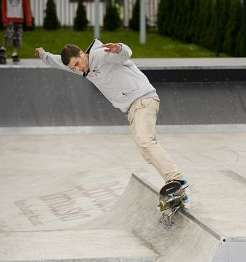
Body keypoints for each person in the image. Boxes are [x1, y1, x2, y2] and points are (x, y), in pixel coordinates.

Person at [34, 40, 188, 203]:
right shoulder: (83, 68)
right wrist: (44, 55)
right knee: (146, 151)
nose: (78, 69)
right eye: (74, 68)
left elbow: (125, 54)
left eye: (77, 64)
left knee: (145, 142)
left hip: (143, 100)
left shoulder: (102, 55)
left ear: (82, 54)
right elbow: (59, 62)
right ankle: (173, 186)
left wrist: (119, 48)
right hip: (132, 109)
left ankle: (177, 181)